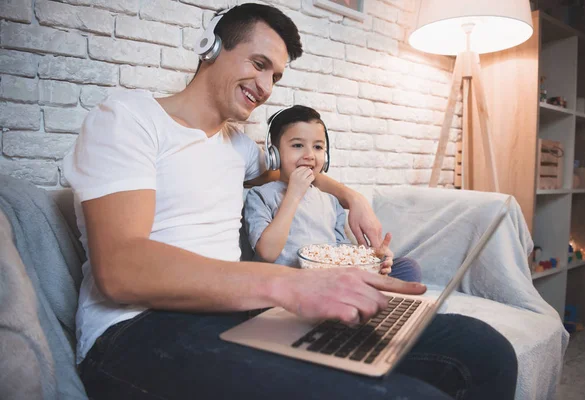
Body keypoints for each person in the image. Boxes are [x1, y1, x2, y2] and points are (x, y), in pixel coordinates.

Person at [62, 3, 517, 399]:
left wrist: (352, 196)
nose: (265, 86)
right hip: (139, 331)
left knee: (484, 351)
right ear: (211, 47)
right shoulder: (128, 117)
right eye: (258, 64)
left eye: (275, 75)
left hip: (235, 313)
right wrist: (291, 286)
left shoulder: (239, 148)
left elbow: (299, 173)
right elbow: (121, 269)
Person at [244, 105, 422, 282]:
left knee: (407, 268)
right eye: (297, 145)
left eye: (318, 147)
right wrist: (293, 195)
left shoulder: (330, 201)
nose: (310, 155)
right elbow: (267, 253)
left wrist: (372, 261)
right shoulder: (260, 196)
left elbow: (341, 254)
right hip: (288, 284)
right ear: (273, 153)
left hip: (330, 282)